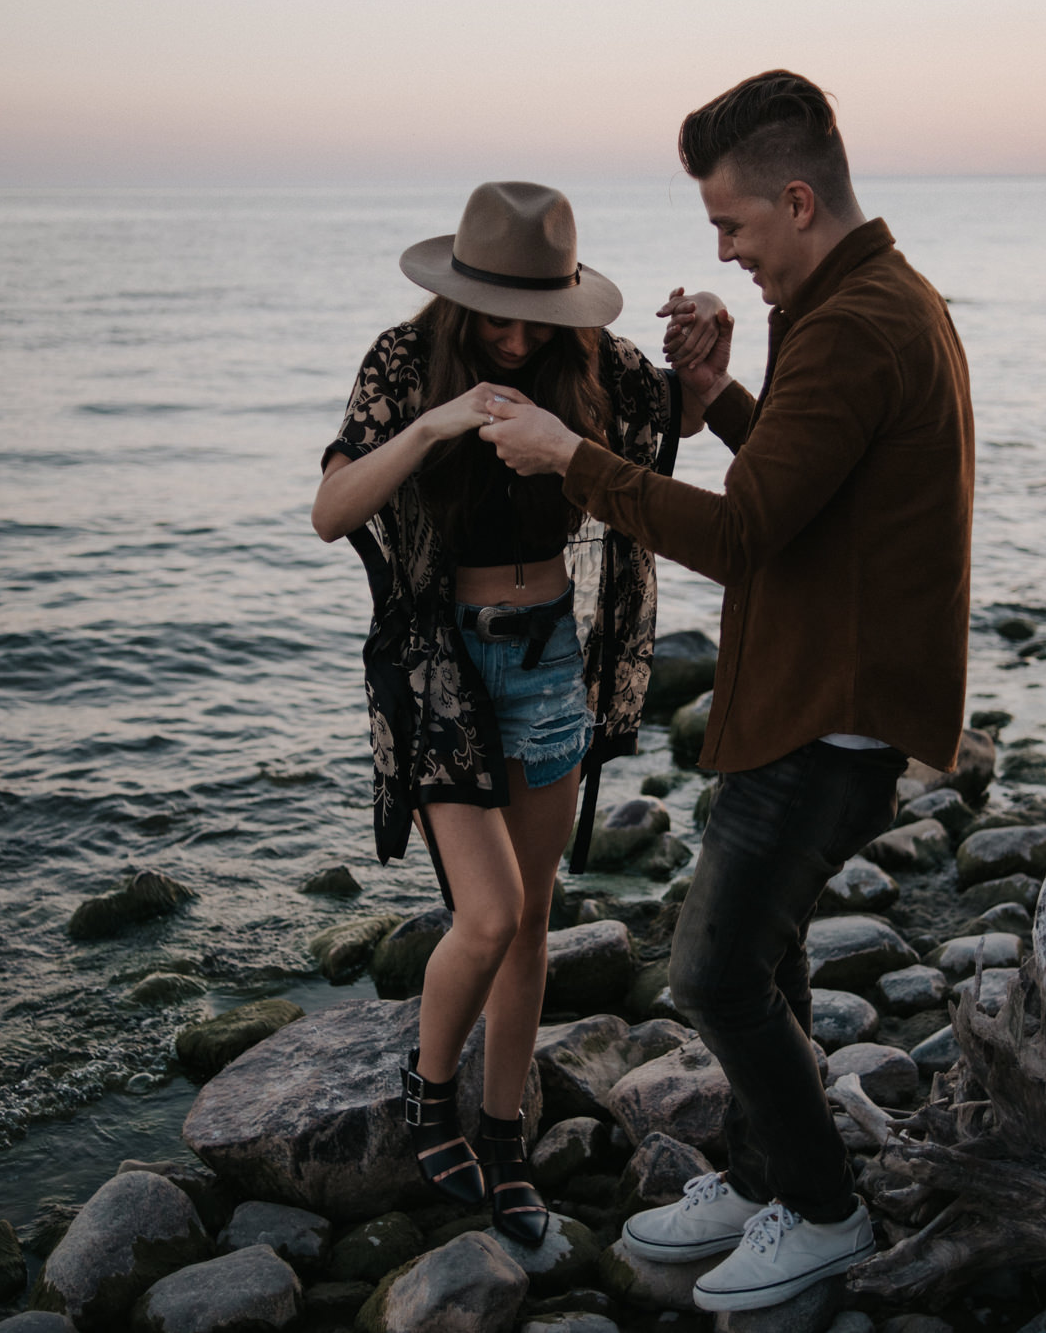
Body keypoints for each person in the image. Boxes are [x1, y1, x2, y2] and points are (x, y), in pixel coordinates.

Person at [480, 72, 975, 1309]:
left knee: (709, 973)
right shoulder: (859, 299)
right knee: (770, 953)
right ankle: (765, 1179)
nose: (725, 255)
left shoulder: (859, 321)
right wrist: (715, 402)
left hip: (832, 707)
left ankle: (820, 1206)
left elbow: (750, 535)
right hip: (815, 688)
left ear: (796, 201)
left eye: (734, 228)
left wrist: (570, 458)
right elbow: (817, 486)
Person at [312, 181, 723, 1245]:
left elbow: (672, 419)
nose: (509, 332)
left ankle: (503, 1135)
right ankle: (426, 1090)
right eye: (493, 309)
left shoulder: (592, 366)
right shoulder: (405, 363)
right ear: (458, 291)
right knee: (484, 913)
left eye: (531, 313)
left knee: (534, 919)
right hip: (440, 661)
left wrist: (709, 356)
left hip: (549, 662)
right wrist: (438, 423)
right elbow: (332, 509)